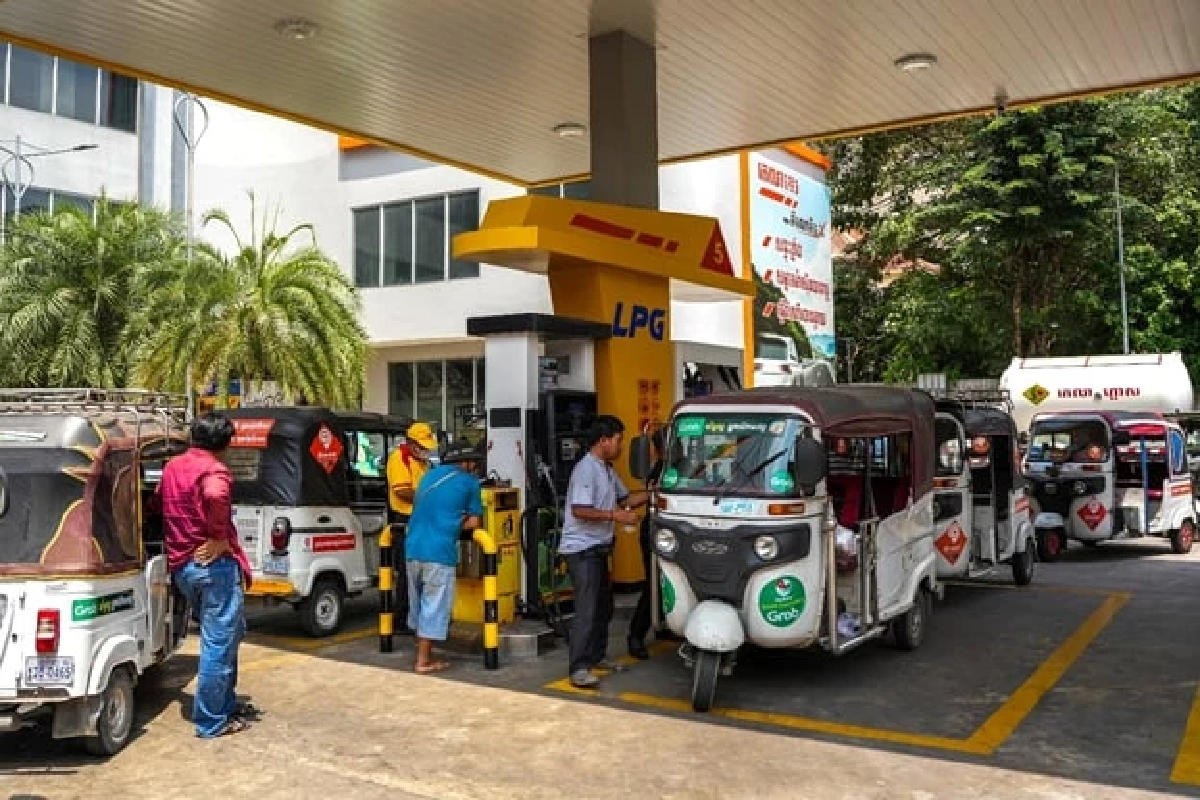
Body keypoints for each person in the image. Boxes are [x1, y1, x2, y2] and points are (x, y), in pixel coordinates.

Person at [160, 413, 256, 739]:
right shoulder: (214, 470)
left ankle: (225, 704)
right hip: (213, 567)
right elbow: (215, 495)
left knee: (228, 636)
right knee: (218, 643)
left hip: (182, 565)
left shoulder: (173, 467)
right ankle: (212, 720)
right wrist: (219, 537)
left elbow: (157, 501)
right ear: (225, 443)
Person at [559, 415, 649, 689]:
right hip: (582, 550)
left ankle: (596, 656)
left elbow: (626, 499)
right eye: (618, 440)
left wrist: (654, 493)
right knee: (587, 610)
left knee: (602, 608)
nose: (620, 445)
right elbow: (580, 510)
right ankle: (579, 668)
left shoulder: (607, 470)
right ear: (603, 441)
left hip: (599, 549)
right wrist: (616, 517)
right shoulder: (587, 470)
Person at [404, 439, 484, 674]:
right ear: (467, 462)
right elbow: (474, 521)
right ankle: (423, 661)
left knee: (418, 603)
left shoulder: (428, 476)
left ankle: (424, 653)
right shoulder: (469, 482)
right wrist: (458, 521)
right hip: (439, 552)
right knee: (434, 605)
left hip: (412, 549)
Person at [386, 422, 438, 631]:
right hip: (405, 521)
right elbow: (402, 491)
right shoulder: (399, 459)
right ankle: (403, 620)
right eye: (422, 445)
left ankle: (418, 617)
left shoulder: (425, 463)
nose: (425, 450)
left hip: (423, 520)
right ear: (411, 443)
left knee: (423, 572)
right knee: (408, 574)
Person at [627, 426, 666, 660]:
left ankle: (664, 625)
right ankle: (636, 635)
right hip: (656, 532)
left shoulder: (686, 466)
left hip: (678, 533)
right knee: (654, 586)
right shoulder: (660, 471)